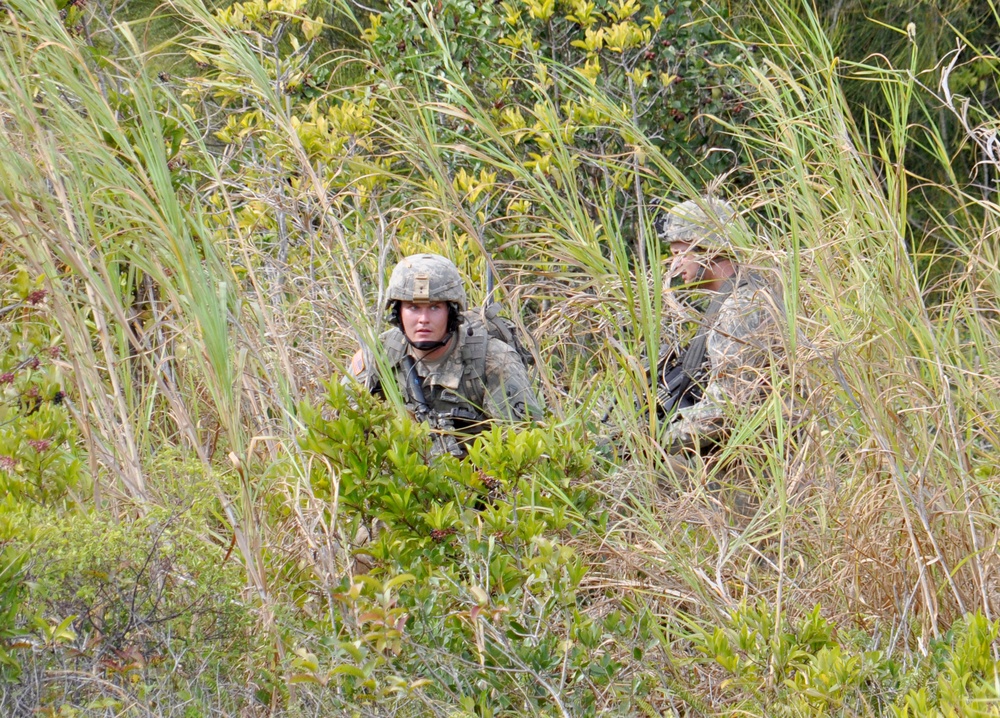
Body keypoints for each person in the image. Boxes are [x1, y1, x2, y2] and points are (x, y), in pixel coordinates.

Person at [350, 253, 541, 458]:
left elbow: (525, 449)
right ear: (398, 313)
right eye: (413, 307)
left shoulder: (493, 359)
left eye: (434, 307)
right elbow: (341, 424)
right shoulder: (380, 353)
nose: (423, 319)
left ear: (451, 312)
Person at [652, 197, 784, 459]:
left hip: (764, 468)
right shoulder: (742, 297)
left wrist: (658, 439)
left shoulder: (741, 308)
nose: (674, 266)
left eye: (680, 253)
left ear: (708, 249)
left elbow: (727, 408)